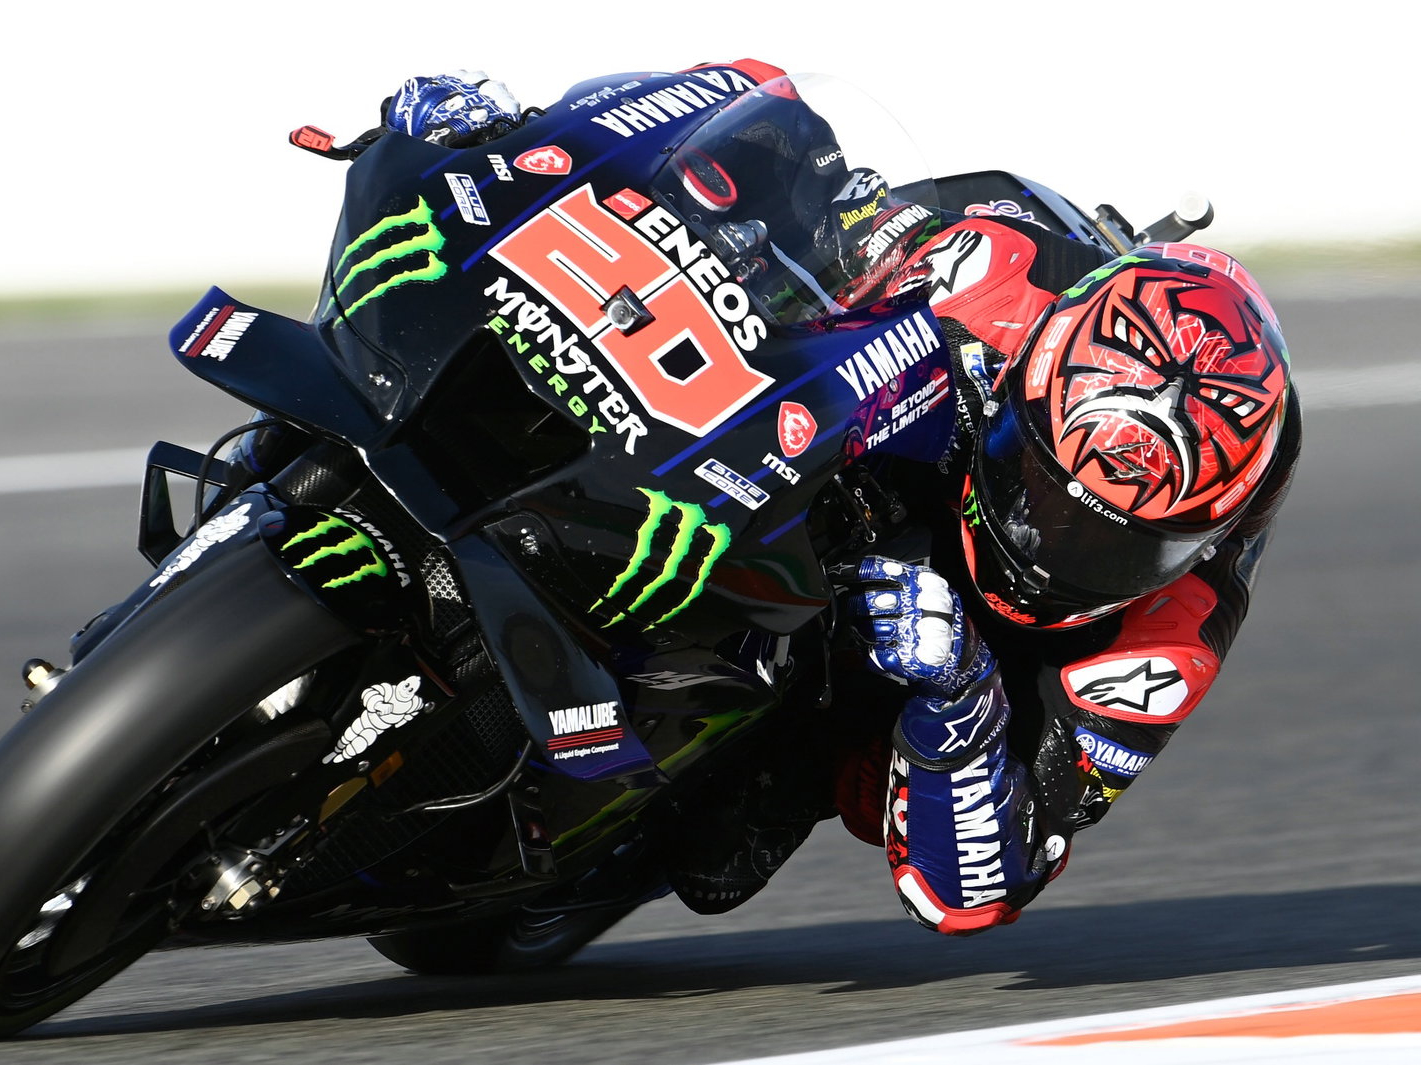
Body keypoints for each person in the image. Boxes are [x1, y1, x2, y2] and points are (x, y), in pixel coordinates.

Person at [374, 66, 1300, 934]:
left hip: (915, 650)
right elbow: (775, 160)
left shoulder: (1173, 632)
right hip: (829, 455)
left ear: (1205, 534)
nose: (1045, 541)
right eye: (1045, 490)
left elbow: (973, 891)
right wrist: (522, 148)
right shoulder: (992, 264)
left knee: (724, 844)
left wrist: (962, 694)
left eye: (1112, 543)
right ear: (1027, 379)